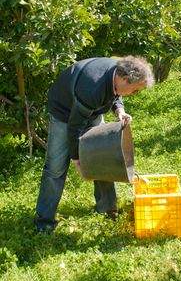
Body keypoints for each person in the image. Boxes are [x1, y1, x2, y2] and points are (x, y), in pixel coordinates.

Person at [34, 55, 155, 233]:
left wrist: (119, 110)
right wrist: (77, 158)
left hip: (90, 109)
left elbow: (115, 93)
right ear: (123, 78)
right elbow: (74, 127)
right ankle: (44, 223)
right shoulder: (93, 87)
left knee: (103, 157)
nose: (134, 94)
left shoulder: (118, 71)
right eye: (135, 90)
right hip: (64, 112)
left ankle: (107, 209)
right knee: (55, 168)